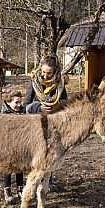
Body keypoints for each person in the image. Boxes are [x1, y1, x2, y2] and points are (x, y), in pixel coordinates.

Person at [24, 55, 68, 191]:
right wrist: (39, 107)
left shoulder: (60, 85)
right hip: (35, 124)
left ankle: (48, 181)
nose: (45, 75)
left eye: (49, 73)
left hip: (53, 124)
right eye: (43, 72)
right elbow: (26, 104)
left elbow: (65, 104)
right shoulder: (33, 83)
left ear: (54, 72)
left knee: (51, 152)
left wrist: (55, 108)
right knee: (37, 154)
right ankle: (34, 181)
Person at [1, 90, 25, 205]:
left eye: (20, 102)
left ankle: (20, 189)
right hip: (8, 146)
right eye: (16, 102)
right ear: (9, 102)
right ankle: (7, 191)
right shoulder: (4, 116)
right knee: (8, 168)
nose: (19, 105)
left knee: (20, 168)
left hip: (20, 146)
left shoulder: (23, 113)